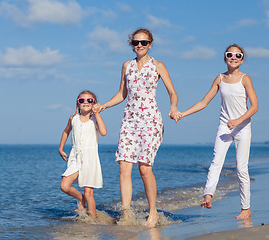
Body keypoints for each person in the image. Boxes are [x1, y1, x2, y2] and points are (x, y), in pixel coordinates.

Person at [100, 28, 180, 227]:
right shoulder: (126, 65)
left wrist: (173, 107)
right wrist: (104, 105)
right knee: (124, 167)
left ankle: (153, 213)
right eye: (136, 42)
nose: (139, 46)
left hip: (151, 121)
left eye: (143, 42)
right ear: (132, 44)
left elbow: (172, 92)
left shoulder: (158, 66)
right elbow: (122, 94)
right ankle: (126, 213)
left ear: (150, 44)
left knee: (145, 169)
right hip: (130, 120)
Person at [176, 44, 258, 219]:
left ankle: (245, 209)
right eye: (230, 54)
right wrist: (183, 113)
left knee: (241, 168)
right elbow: (203, 102)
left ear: (242, 60)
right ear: (225, 58)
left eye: (238, 55)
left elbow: (255, 106)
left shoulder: (245, 79)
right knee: (216, 162)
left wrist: (238, 120)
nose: (233, 57)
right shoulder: (219, 78)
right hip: (224, 126)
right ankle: (208, 196)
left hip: (242, 127)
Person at [59, 90, 107, 218]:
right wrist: (61, 148)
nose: (86, 102)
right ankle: (81, 199)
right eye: (82, 100)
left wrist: (97, 114)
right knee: (64, 185)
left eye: (89, 100)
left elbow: (103, 132)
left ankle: (92, 220)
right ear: (78, 103)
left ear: (94, 103)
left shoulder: (95, 119)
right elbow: (66, 132)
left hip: (90, 159)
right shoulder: (73, 119)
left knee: (89, 192)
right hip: (76, 158)